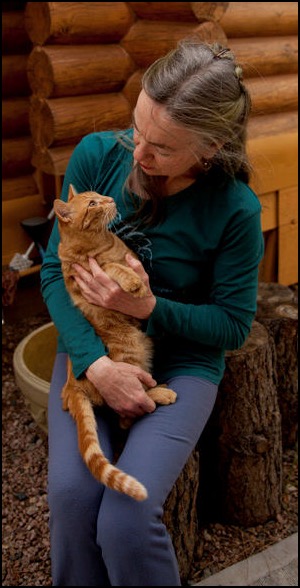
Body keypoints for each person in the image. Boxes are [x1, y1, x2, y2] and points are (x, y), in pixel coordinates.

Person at [41, 38, 264, 586]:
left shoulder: (235, 209)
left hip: (184, 362)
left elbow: (232, 326)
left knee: (126, 517)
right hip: (93, 346)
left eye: (161, 147)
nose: (137, 154)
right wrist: (96, 365)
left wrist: (146, 305)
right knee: (72, 499)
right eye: (137, 128)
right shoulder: (98, 156)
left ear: (210, 148)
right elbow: (52, 271)